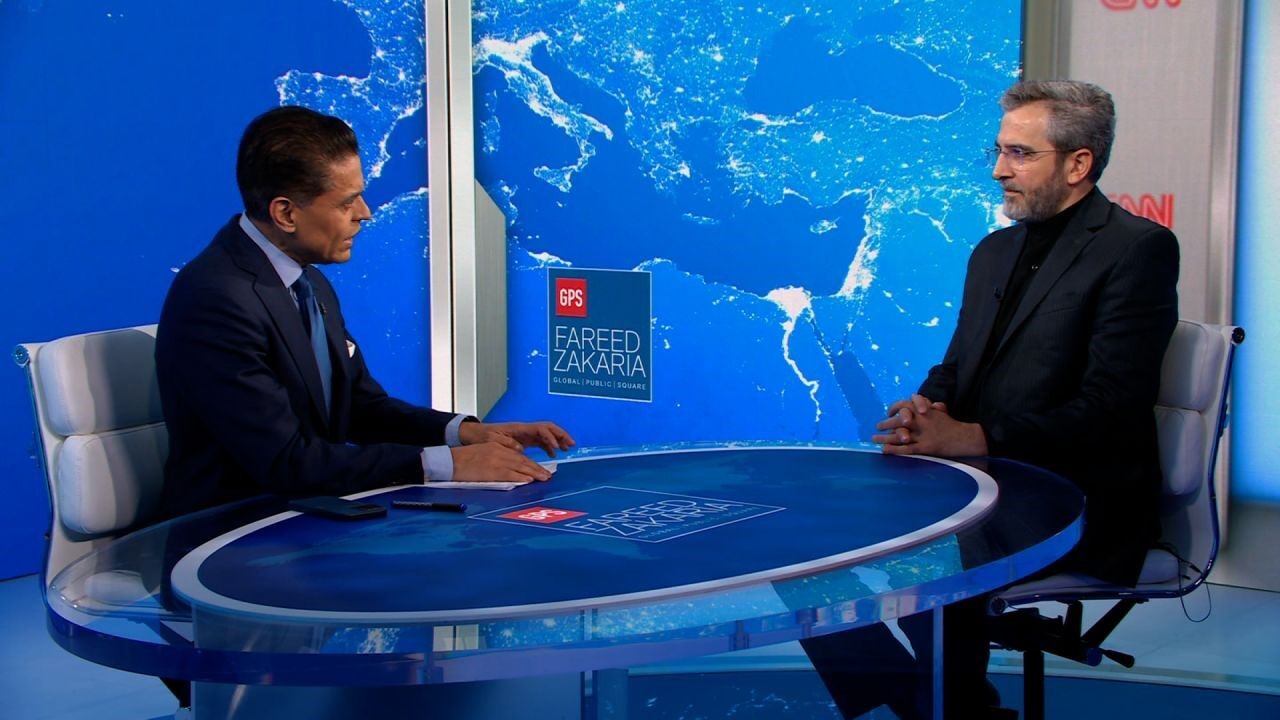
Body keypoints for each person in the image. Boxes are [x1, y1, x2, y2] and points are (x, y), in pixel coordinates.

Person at [803, 80, 1179, 718]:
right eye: (998, 151)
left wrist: (976, 437)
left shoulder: (1136, 249)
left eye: (1020, 154)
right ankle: (926, 705)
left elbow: (1113, 407)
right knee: (815, 541)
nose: (1000, 170)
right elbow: (957, 367)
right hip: (983, 482)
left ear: (1078, 164)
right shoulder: (994, 250)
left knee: (931, 561)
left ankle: (950, 707)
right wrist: (923, 409)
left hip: (1078, 499)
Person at [155, 106, 574, 521]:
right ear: (286, 213)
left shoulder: (308, 283)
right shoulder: (216, 299)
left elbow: (360, 408)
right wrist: (445, 465)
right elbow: (286, 462)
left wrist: (465, 433)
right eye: (347, 202)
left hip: (310, 517)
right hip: (229, 532)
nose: (365, 213)